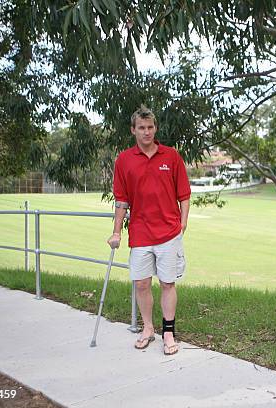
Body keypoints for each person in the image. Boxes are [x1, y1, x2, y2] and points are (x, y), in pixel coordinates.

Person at [107, 105, 191, 355]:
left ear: (155, 129)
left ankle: (168, 332)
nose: (146, 132)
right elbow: (121, 199)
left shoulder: (171, 156)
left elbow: (184, 195)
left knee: (167, 284)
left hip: (168, 232)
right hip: (140, 232)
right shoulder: (124, 160)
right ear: (133, 130)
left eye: (150, 127)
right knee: (142, 284)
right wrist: (116, 232)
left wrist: (183, 223)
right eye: (141, 128)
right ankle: (147, 328)